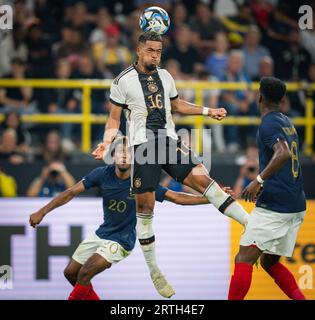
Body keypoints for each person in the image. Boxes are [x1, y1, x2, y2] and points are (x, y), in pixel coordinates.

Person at [92, 31, 249, 298]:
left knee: (204, 181)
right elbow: (113, 118)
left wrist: (209, 111)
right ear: (139, 50)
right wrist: (107, 143)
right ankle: (155, 271)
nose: (155, 55)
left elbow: (177, 105)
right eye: (151, 50)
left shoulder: (165, 76)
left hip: (169, 140)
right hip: (142, 147)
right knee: (145, 207)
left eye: (159, 51)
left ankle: (251, 224)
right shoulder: (122, 81)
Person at [29, 137, 233, 300]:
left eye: (128, 152)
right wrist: (43, 211)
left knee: (84, 274)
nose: (124, 155)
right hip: (102, 233)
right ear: (113, 155)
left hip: (122, 240)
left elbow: (176, 197)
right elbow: (71, 192)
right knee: (70, 274)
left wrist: (212, 198)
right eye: (120, 151)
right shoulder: (102, 174)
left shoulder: (142, 180)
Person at [228, 77, 306, 300]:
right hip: (295, 203)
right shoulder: (286, 121)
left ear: (259, 97)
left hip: (276, 207)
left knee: (243, 259)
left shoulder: (269, 123)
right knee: (269, 262)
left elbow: (283, 153)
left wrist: (258, 180)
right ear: (282, 100)